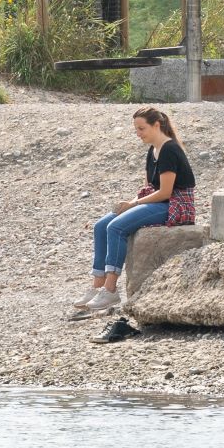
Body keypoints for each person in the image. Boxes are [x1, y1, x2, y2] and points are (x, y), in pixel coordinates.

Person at [73, 109, 197, 317]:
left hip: (176, 205)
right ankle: (97, 286)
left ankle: (111, 290)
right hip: (159, 201)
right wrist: (130, 203)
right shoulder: (153, 150)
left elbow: (166, 192)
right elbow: (151, 187)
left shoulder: (169, 150)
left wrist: (134, 204)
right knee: (101, 225)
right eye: (136, 129)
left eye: (142, 128)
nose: (138, 133)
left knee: (116, 227)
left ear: (157, 125)